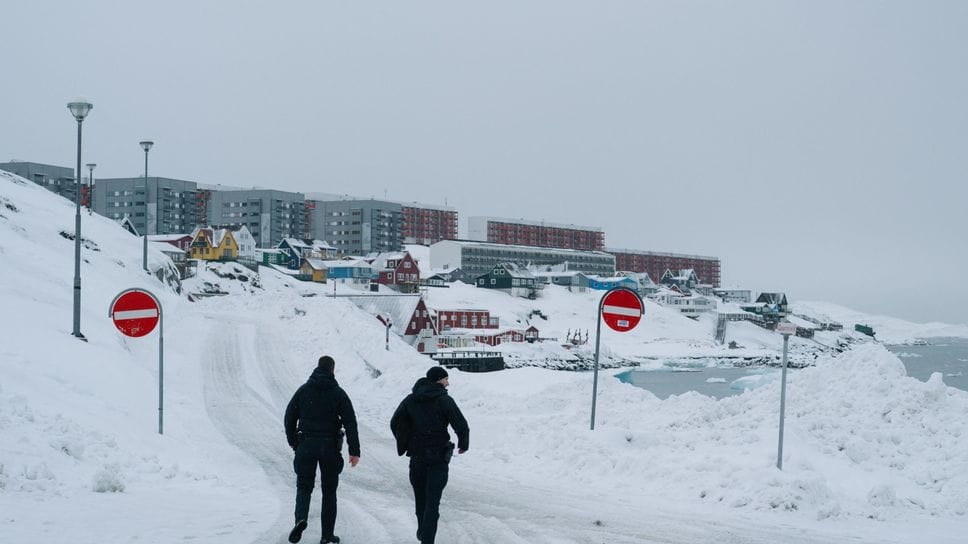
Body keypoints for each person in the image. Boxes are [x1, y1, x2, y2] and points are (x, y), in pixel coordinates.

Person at [284, 355, 361, 544]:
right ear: (332, 370)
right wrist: (354, 451)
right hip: (329, 447)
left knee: (304, 487)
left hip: (307, 444)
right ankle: (327, 535)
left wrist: (294, 442)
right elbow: (350, 422)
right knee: (329, 491)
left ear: (317, 368)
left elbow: (289, 417)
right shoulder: (338, 393)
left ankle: (300, 518)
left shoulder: (303, 391)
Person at [390, 366, 469, 544]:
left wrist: (405, 442)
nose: (448, 383)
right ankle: (427, 538)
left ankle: (423, 530)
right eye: (446, 379)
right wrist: (463, 443)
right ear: (439, 380)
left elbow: (395, 422)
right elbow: (461, 423)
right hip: (438, 457)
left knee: (421, 499)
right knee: (432, 502)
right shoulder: (444, 400)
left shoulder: (411, 399)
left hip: (417, 456)